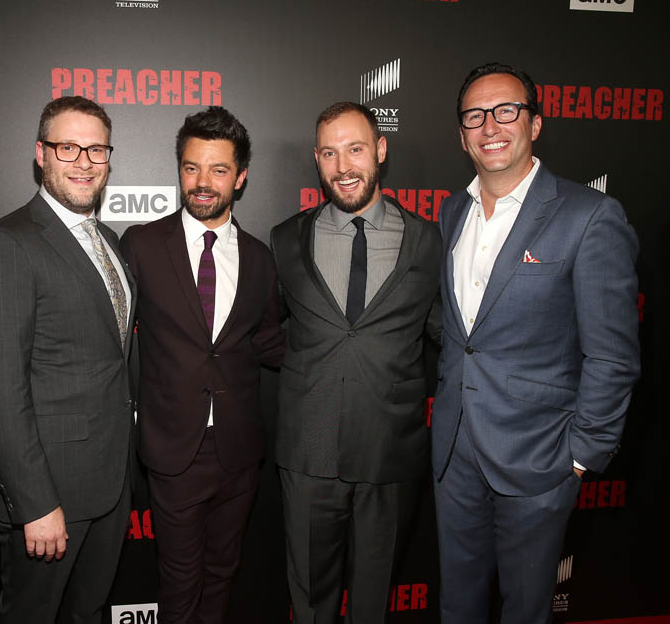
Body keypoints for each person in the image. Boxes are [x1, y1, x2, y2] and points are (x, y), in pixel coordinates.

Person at [433, 62, 640, 623]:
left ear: (535, 123)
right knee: (457, 606)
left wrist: (581, 456)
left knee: (526, 610)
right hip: (454, 453)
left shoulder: (589, 216)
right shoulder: (452, 211)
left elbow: (613, 354)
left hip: (540, 457)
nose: (490, 126)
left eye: (506, 111)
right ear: (462, 135)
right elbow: (461, 333)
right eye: (475, 116)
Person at [0, 96, 135, 624]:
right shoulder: (6, 245)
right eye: (68, 147)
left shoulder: (108, 241)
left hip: (109, 484)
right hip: (48, 497)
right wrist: (34, 503)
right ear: (41, 154)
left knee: (88, 613)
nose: (84, 161)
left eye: (97, 149)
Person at [270, 102, 441, 623]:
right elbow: (261, 333)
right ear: (316, 160)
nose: (343, 166)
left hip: (390, 453)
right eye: (329, 153)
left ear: (380, 150)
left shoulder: (427, 240)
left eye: (355, 149)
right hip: (309, 451)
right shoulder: (285, 239)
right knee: (310, 602)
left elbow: (450, 334)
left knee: (373, 602)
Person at [120, 106, 285, 624]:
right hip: (174, 448)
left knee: (222, 572)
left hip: (239, 450)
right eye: (191, 167)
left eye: (218, 169)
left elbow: (269, 341)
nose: (202, 182)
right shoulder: (142, 245)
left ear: (240, 177)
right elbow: (112, 339)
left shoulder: (260, 258)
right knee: (179, 578)